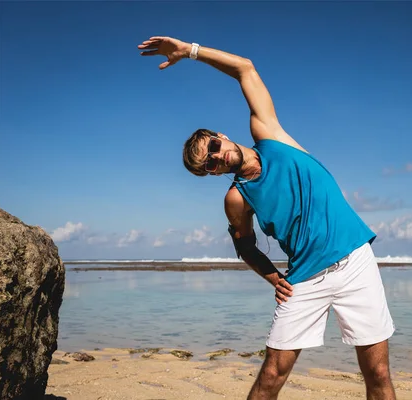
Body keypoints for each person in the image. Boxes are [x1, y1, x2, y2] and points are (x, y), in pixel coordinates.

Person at [138, 36, 397, 400]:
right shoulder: (236, 198)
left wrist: (191, 51)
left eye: (213, 147)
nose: (217, 158)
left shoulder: (270, 134)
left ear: (221, 136)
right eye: (208, 165)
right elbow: (245, 245)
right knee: (272, 375)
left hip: (355, 262)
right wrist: (274, 277)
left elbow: (244, 68)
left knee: (379, 373)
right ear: (211, 174)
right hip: (304, 278)